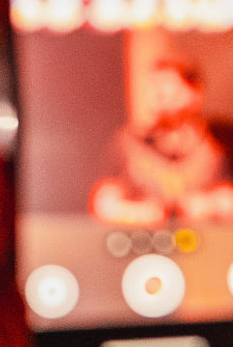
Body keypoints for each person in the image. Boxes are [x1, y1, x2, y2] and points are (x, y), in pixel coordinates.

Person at [90, 57, 233, 225]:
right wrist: (135, 213)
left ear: (195, 93)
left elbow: (227, 200)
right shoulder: (130, 142)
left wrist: (210, 205)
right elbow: (104, 203)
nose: (158, 94)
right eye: (153, 86)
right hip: (146, 238)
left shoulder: (217, 141)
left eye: (167, 85)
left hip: (204, 237)